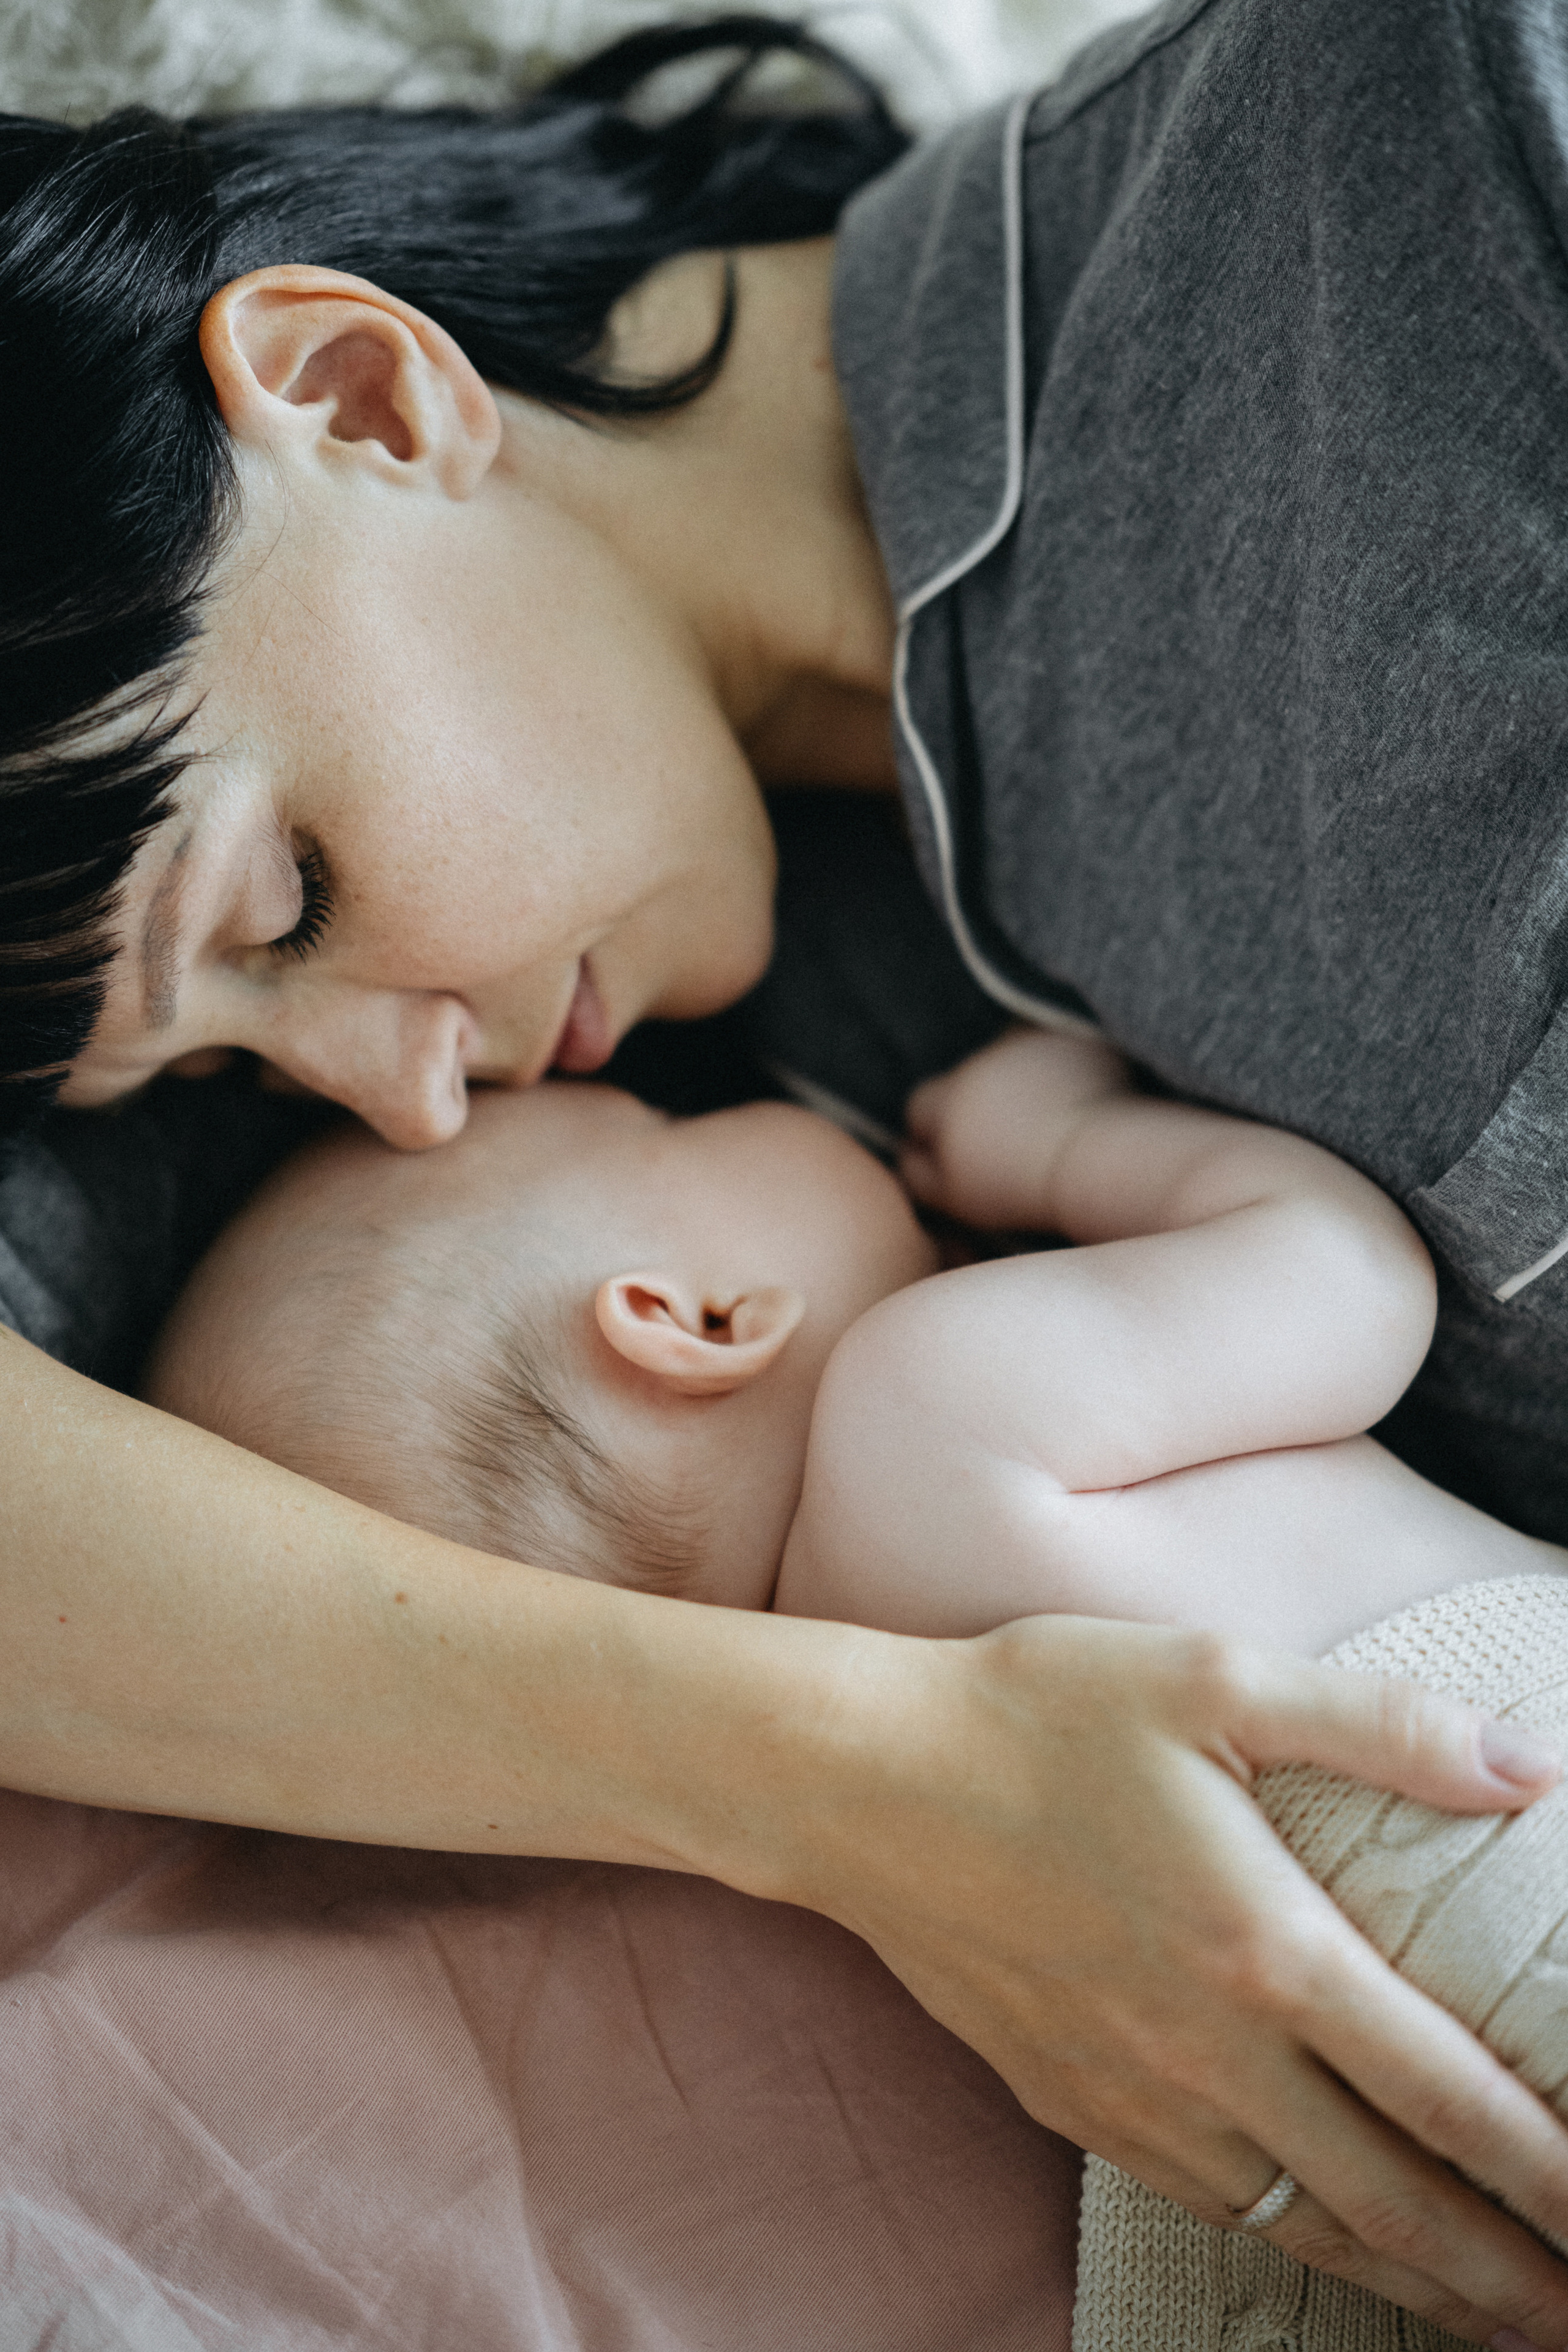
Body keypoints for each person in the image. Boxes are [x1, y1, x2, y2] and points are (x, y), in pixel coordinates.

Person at [6, 3, 1568, 2338]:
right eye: (229, 1065)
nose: (398, 1100)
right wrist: (857, 1787)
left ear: (358, 394)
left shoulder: (1395, 168)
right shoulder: (697, 1111)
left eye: (284, 905)